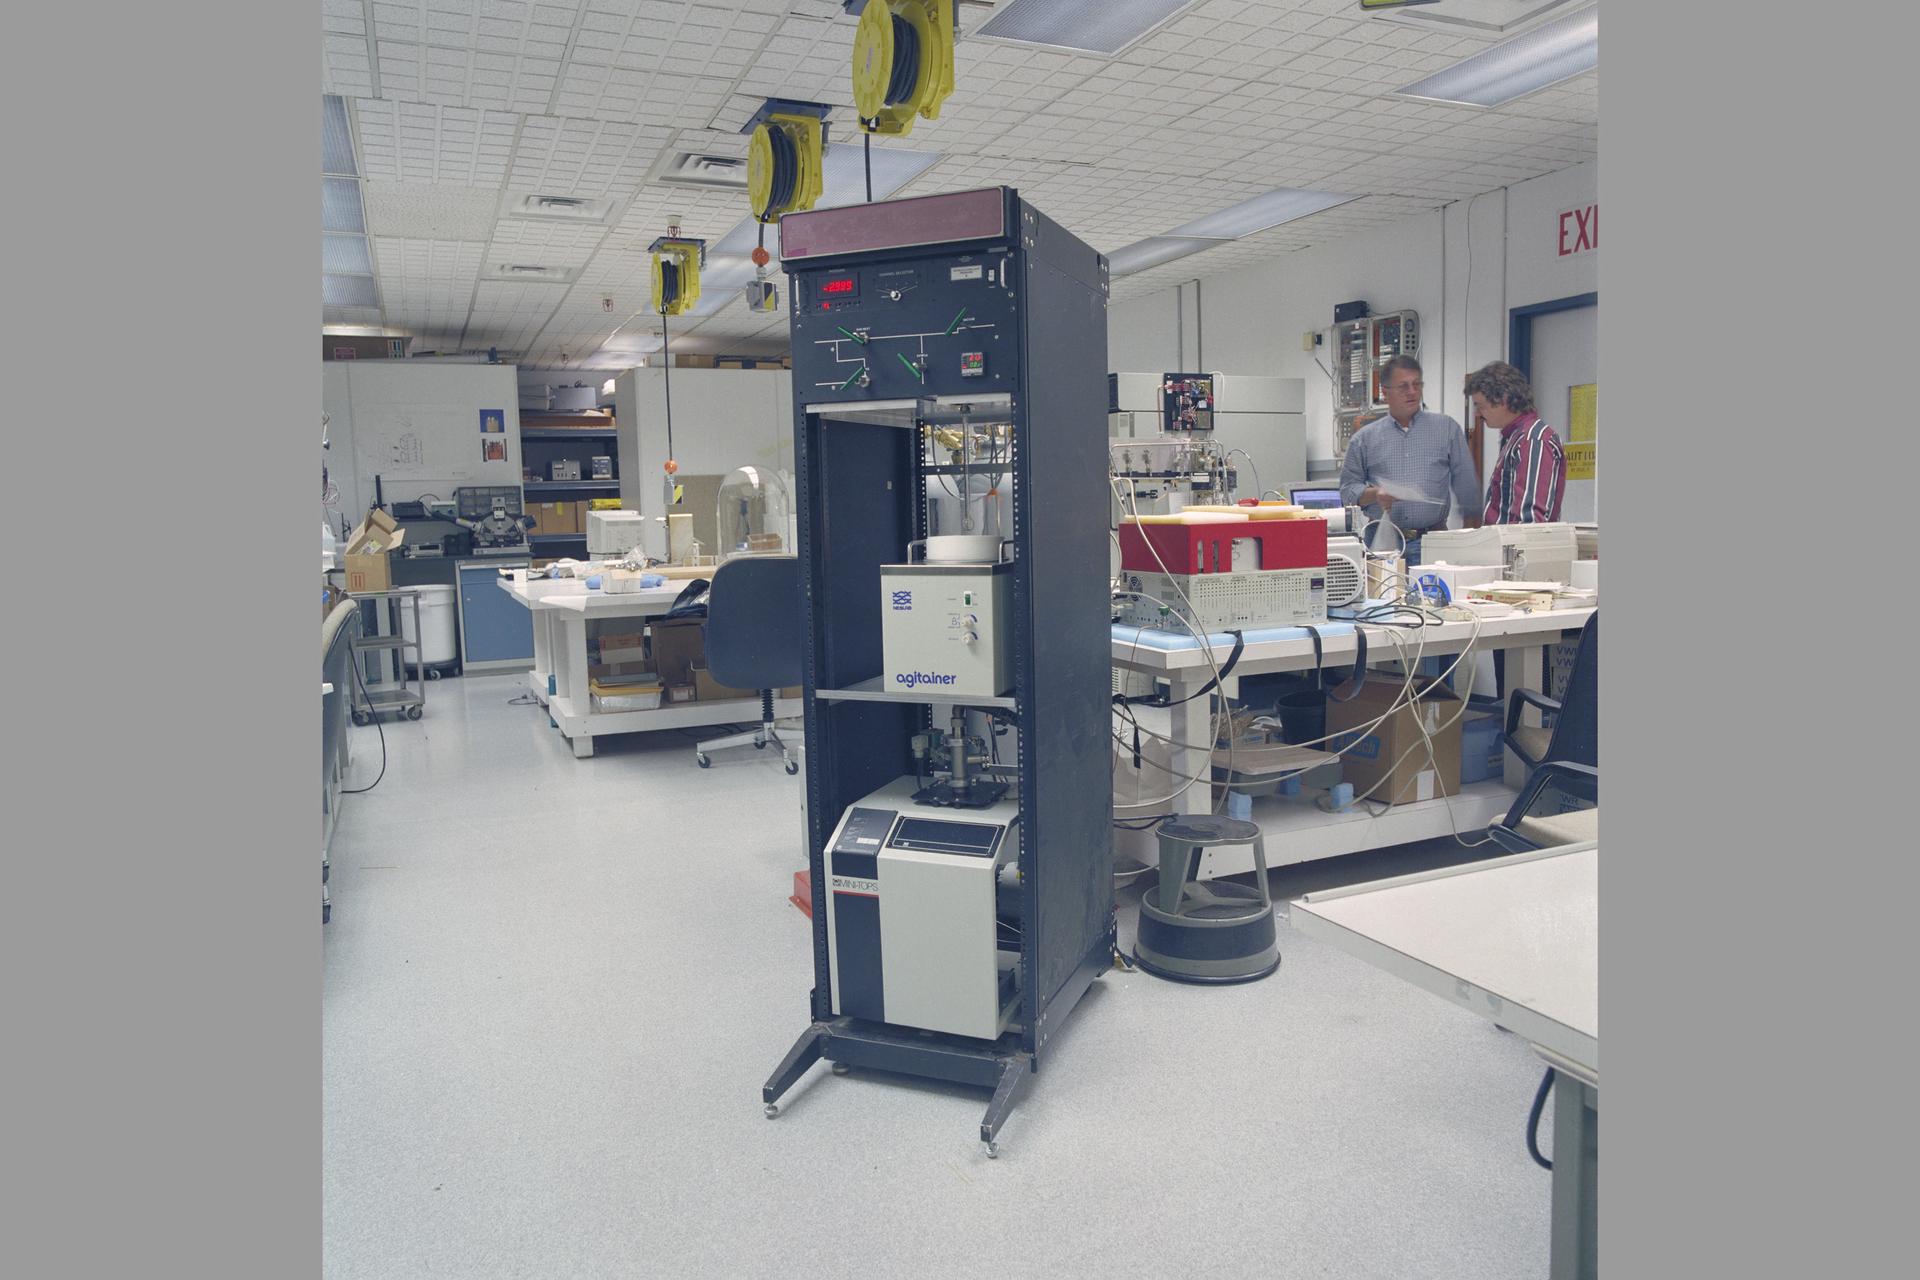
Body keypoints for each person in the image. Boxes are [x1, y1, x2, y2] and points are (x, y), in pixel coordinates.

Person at [1338, 355, 1480, 566]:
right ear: (1385, 392)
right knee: (1384, 589)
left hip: (1433, 542)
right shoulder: (1364, 439)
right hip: (1384, 543)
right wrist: (1376, 494)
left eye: (1417, 384)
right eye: (1403, 386)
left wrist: (1470, 542)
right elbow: (1347, 492)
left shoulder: (1446, 429)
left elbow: (1467, 488)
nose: (1412, 392)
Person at [1467, 361, 1566, 524]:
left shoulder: (1533, 440)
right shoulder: (1516, 437)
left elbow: (1530, 522)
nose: (1477, 414)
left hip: (1516, 541)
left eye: (1481, 406)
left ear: (1504, 400)